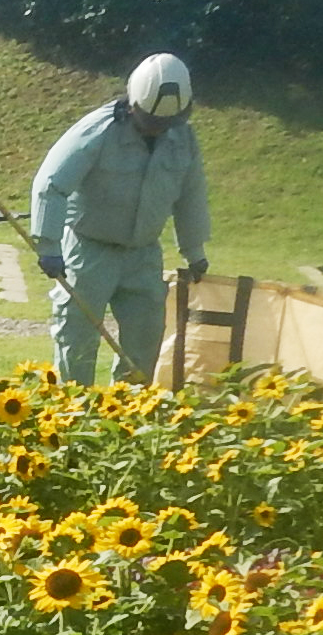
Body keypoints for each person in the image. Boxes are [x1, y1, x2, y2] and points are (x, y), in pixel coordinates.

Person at [30, 52, 211, 386]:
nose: (159, 130)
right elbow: (51, 183)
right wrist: (48, 244)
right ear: (134, 104)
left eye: (166, 124)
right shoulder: (97, 131)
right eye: (152, 122)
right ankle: (73, 411)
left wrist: (194, 251)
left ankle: (127, 416)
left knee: (145, 340)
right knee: (77, 337)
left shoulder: (183, 139)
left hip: (143, 255)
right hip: (88, 252)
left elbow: (191, 194)